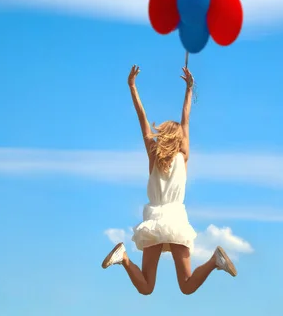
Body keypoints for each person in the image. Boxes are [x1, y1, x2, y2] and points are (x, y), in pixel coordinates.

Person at [101, 64, 237, 295]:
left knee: (146, 287)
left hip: (154, 219)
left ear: (162, 136)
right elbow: (186, 118)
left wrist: (132, 87)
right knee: (186, 285)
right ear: (179, 138)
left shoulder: (154, 155)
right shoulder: (183, 156)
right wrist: (189, 89)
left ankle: (123, 258)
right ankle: (215, 261)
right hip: (176, 218)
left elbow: (142, 118)